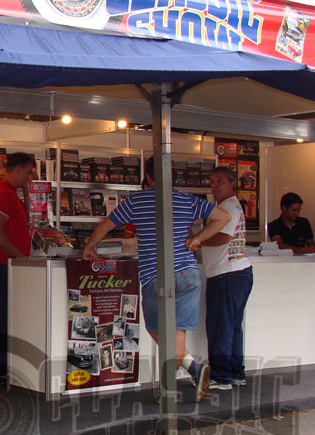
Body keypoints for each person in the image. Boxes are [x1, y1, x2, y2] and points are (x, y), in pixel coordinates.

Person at [83, 156, 231, 402]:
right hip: (187, 273)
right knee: (176, 332)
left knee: (157, 328)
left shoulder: (136, 201)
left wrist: (89, 247)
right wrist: (198, 239)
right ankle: (193, 369)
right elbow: (223, 217)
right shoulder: (186, 200)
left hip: (155, 274)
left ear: (149, 176)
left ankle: (170, 391)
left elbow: (106, 224)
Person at [198, 167, 253, 391]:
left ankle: (221, 377)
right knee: (233, 327)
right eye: (212, 181)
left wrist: (197, 240)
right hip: (237, 273)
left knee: (220, 327)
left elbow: (223, 237)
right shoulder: (230, 206)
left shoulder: (228, 206)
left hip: (226, 274)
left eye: (219, 181)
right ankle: (236, 372)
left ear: (232, 184)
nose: (214, 186)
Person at [0, 152, 34, 382]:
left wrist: (26, 196)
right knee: (7, 316)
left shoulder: (9, 193)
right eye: (28, 172)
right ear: (18, 169)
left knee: (9, 314)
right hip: (7, 263)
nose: (29, 177)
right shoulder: (4, 194)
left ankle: (3, 366)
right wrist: (20, 257)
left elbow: (22, 222)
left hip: (10, 262)